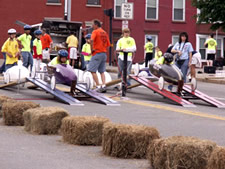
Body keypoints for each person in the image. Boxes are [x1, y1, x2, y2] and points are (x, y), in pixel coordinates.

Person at [88, 19, 110, 93]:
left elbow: (91, 40)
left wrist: (92, 49)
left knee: (92, 70)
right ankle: (103, 85)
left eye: (93, 25)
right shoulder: (104, 32)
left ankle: (97, 85)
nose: (92, 26)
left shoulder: (95, 31)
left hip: (97, 53)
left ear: (96, 25)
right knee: (102, 71)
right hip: (104, 53)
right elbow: (108, 44)